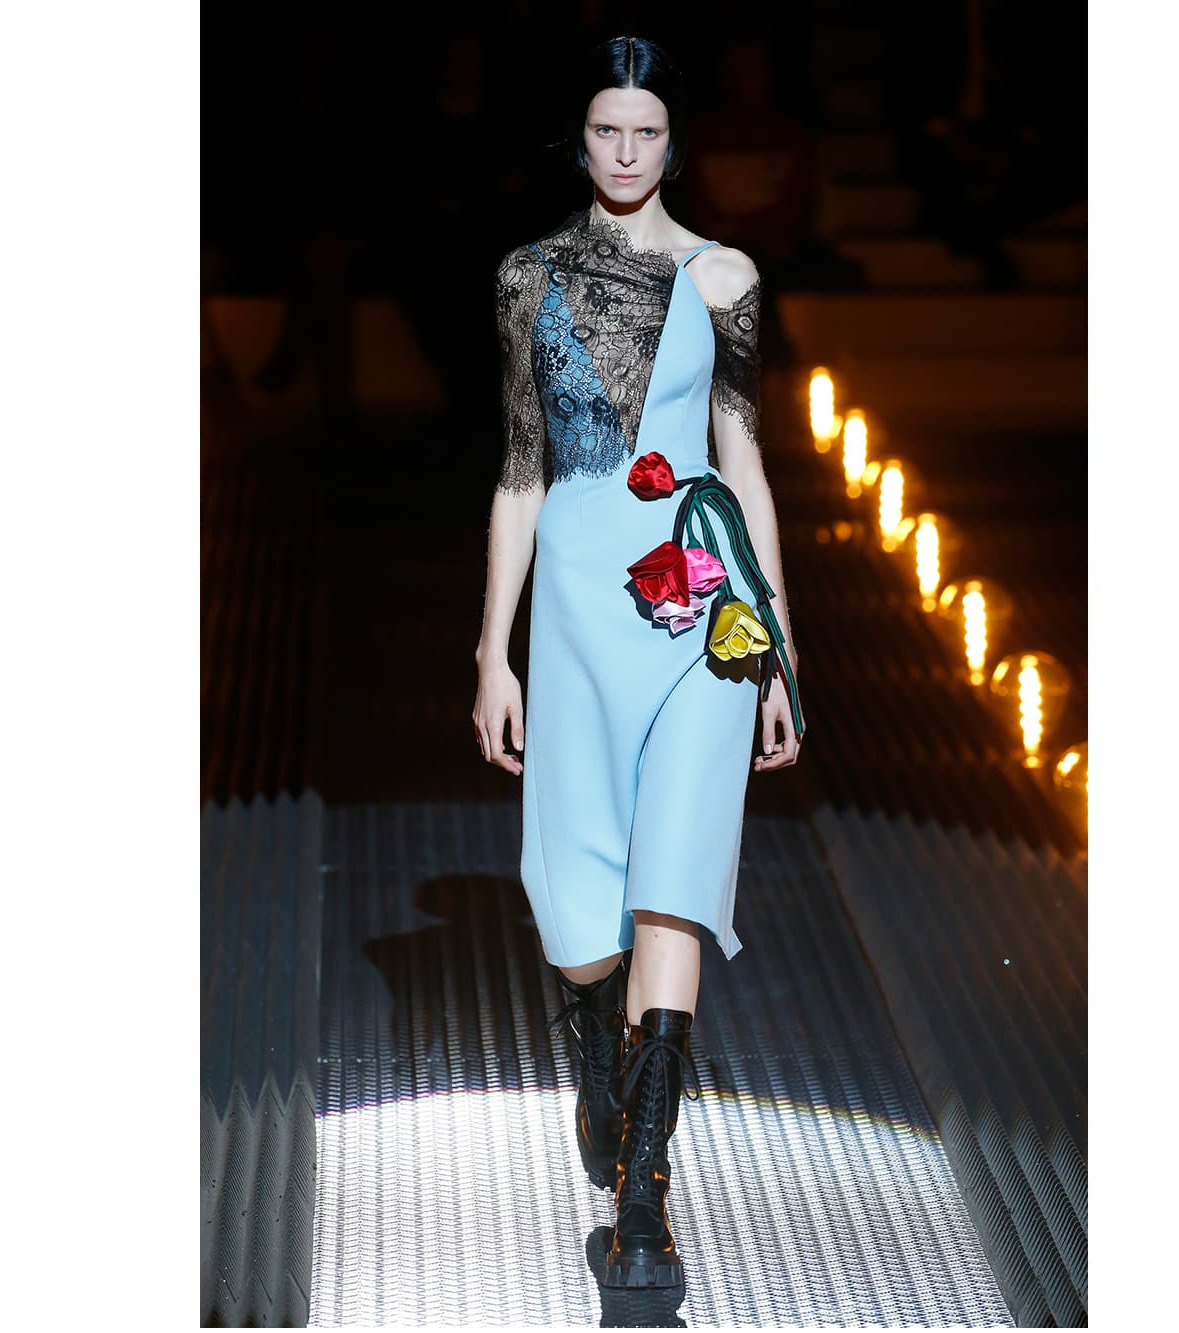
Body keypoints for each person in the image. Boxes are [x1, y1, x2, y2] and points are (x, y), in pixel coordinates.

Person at [470, 35, 806, 1291]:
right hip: (575, 606)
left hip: (702, 607)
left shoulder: (724, 278)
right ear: (580, 140)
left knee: (674, 881)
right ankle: (595, 1060)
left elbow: (744, 459)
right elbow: (519, 472)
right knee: (578, 913)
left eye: (646, 131)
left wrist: (777, 647)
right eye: (606, 130)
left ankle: (646, 1201)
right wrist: (491, 653)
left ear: (673, 140)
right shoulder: (528, 276)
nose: (625, 151)